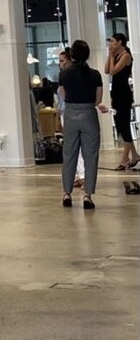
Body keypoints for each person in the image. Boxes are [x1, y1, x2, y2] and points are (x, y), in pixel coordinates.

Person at [58, 38, 109, 210]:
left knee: (69, 154)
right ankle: (87, 195)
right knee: (91, 156)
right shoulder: (95, 74)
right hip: (89, 116)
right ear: (87, 55)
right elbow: (98, 100)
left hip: (70, 115)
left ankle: (67, 193)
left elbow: (64, 95)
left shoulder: (64, 74)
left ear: (72, 55)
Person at [104, 34, 138, 170]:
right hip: (117, 93)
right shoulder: (116, 55)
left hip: (124, 94)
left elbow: (113, 71)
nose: (110, 44)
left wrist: (112, 55)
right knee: (120, 125)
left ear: (120, 42)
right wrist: (110, 55)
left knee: (124, 125)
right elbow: (106, 70)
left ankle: (125, 158)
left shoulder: (126, 56)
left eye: (112, 41)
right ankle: (134, 155)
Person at [57, 47, 84, 187]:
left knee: (76, 145)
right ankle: (78, 174)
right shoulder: (63, 75)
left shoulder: (68, 76)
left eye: (62, 61)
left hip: (71, 112)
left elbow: (66, 96)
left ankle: (82, 175)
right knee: (72, 146)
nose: (60, 64)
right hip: (65, 112)